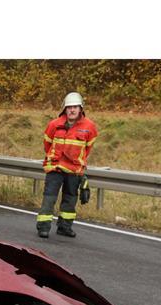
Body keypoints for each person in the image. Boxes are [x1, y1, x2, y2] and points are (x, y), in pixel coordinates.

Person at [36, 92, 98, 238]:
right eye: (69, 107)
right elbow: (47, 144)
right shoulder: (54, 124)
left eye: (75, 107)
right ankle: (43, 227)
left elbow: (87, 148)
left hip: (74, 170)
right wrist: (55, 157)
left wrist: (78, 162)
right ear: (64, 108)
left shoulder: (89, 127)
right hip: (55, 167)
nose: (72, 110)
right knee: (49, 198)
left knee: (70, 200)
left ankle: (65, 227)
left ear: (81, 108)